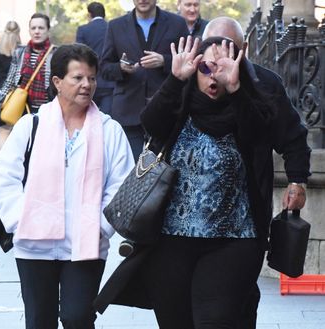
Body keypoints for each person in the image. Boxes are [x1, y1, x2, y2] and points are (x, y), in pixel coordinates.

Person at [94, 35, 311, 328]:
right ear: (194, 70)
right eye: (206, 69)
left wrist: (236, 89)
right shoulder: (179, 102)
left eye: (221, 69)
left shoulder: (250, 106)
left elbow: (263, 135)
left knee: (215, 320)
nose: (213, 77)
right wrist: (174, 79)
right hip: (171, 241)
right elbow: (151, 124)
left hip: (234, 239)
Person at [0, 43, 134, 329]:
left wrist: (101, 227)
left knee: (77, 317)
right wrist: (22, 221)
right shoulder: (31, 125)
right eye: (78, 78)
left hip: (86, 243)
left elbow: (122, 185)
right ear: (57, 82)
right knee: (39, 320)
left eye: (91, 78)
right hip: (33, 244)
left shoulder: (109, 130)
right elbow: (5, 180)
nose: (87, 85)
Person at [202, 16, 311, 329]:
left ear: (243, 49)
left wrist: (297, 180)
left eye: (229, 47)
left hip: (247, 213)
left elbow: (293, 137)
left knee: (240, 296)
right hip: (194, 219)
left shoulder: (264, 83)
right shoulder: (192, 79)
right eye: (213, 47)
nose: (220, 55)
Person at [100, 0, 189, 161]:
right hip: (128, 111)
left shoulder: (177, 23)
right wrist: (121, 68)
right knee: (129, 170)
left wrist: (165, 61)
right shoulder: (115, 26)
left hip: (166, 110)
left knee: (165, 172)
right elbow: (104, 67)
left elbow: (189, 59)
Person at [0, 13, 55, 115]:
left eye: (41, 28)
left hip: (49, 110)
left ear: (48, 30)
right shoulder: (20, 52)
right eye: (33, 28)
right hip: (23, 109)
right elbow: (10, 81)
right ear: (29, 31)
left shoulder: (55, 53)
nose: (37, 31)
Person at [0, 20, 21, 167]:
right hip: (18, 94)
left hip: (1, 91)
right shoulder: (21, 51)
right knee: (15, 129)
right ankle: (12, 161)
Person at [76, 2, 114, 115]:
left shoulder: (83, 30)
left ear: (89, 15)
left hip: (88, 81)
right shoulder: (112, 28)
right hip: (109, 82)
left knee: (86, 117)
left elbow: (79, 55)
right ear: (104, 15)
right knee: (107, 119)